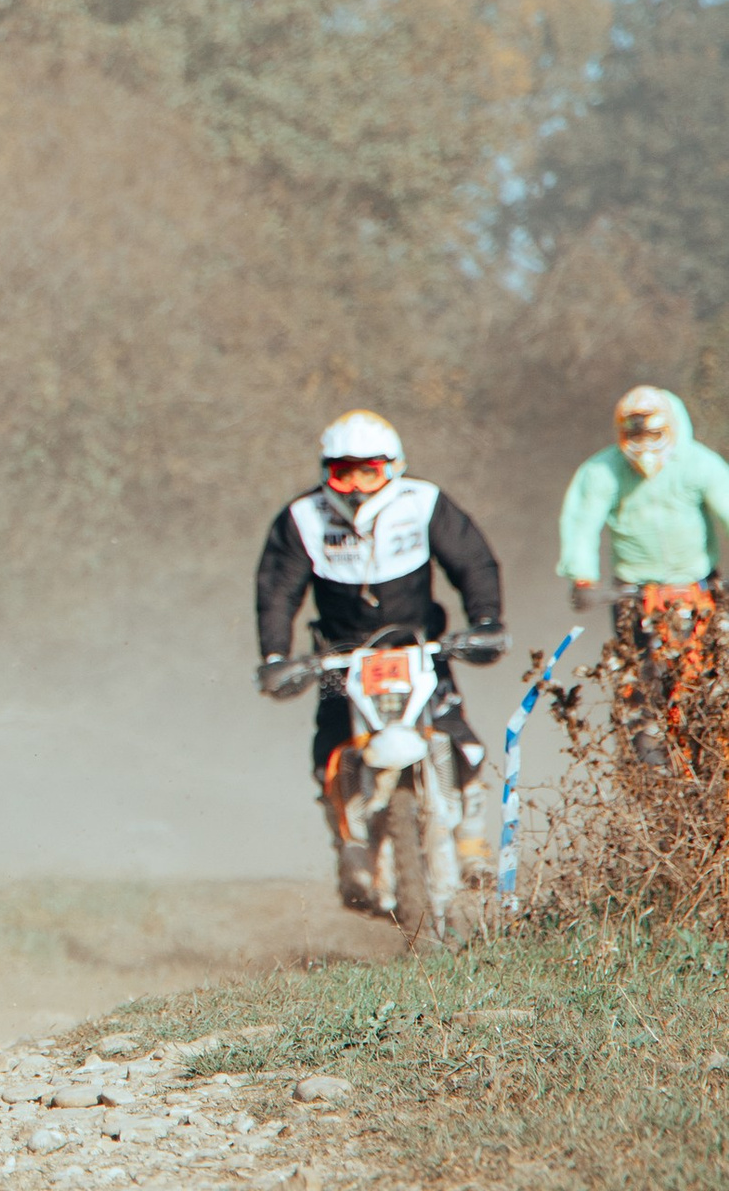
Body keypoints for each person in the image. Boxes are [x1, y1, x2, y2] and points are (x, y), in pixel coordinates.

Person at [254, 411, 504, 908]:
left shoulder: (424, 502)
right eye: (342, 472)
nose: (355, 487)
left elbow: (473, 562)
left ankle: (473, 836)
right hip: (337, 660)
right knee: (330, 747)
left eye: (369, 471)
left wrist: (486, 622)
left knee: (457, 733)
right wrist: (277, 655)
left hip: (419, 649)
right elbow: (277, 590)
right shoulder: (303, 517)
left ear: (393, 468)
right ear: (325, 471)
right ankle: (349, 850)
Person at [557, 386, 729, 756]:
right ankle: (642, 759)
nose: (644, 444)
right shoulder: (603, 470)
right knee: (637, 685)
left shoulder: (699, 464)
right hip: (633, 594)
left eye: (652, 434)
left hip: (700, 589)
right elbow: (581, 523)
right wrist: (582, 577)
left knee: (718, 675)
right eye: (634, 435)